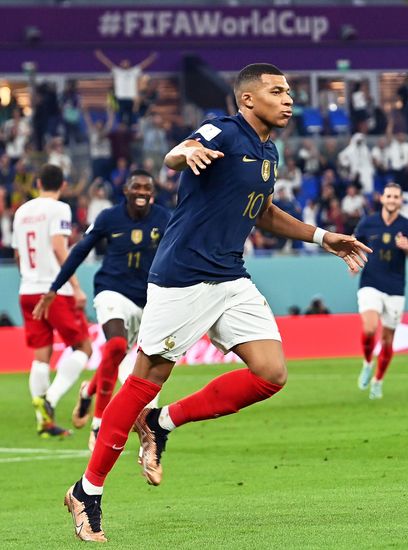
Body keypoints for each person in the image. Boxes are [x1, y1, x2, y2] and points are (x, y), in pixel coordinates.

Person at [60, 63, 371, 543]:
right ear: (248, 100)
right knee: (146, 378)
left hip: (229, 276)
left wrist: (321, 235)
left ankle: (163, 423)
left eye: (288, 91)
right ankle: (87, 490)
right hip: (183, 276)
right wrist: (187, 152)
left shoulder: (269, 150)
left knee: (271, 373)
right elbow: (175, 155)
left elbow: (263, 211)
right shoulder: (223, 129)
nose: (288, 98)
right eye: (276, 91)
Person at [33, 170, 171, 451]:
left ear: (152, 193)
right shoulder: (109, 218)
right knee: (117, 345)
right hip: (111, 291)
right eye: (136, 186)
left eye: (147, 187)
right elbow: (80, 250)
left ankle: (88, 390)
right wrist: (54, 288)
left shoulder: (164, 218)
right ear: (126, 191)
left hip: (147, 299)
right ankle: (98, 424)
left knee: (117, 354)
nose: (142, 191)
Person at [11, 164, 92, 437]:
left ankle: (43, 422)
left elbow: (18, 255)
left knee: (42, 355)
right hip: (55, 292)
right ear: (64, 185)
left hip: (27, 289)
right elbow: (59, 247)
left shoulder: (22, 211)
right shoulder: (59, 209)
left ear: (37, 182)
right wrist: (76, 286)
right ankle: (50, 400)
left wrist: (29, 276)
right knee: (83, 347)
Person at [356, 182, 408, 399]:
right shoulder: (368, 222)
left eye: (396, 197)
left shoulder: (406, 225)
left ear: (400, 201)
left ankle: (378, 381)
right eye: (389, 196)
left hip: (395, 287)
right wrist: (354, 261)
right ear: (382, 198)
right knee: (369, 329)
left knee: (387, 340)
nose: (392, 200)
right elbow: (355, 244)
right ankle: (368, 362)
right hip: (370, 282)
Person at [94, 49, 158, 127]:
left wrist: (152, 58)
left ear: (129, 64)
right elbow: (108, 63)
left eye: (126, 62)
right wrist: (100, 55)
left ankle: (133, 130)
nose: (125, 64)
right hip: (120, 98)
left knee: (133, 119)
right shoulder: (117, 71)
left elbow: (143, 65)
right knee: (121, 120)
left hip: (131, 98)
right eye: (123, 62)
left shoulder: (134, 71)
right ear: (121, 64)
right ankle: (122, 129)